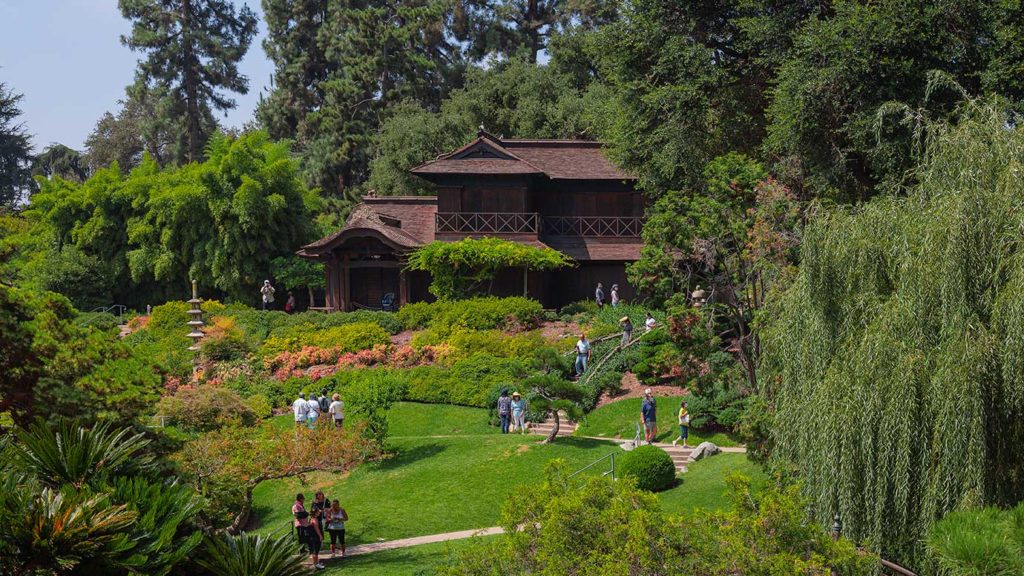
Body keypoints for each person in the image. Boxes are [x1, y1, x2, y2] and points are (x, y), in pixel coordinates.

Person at [293, 493, 325, 570]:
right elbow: (298, 515)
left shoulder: (301, 506)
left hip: (306, 526)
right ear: (300, 499)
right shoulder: (296, 506)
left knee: (312, 546)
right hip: (301, 526)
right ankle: (312, 562)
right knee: (311, 546)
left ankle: (315, 562)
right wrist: (320, 536)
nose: (304, 500)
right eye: (303, 498)